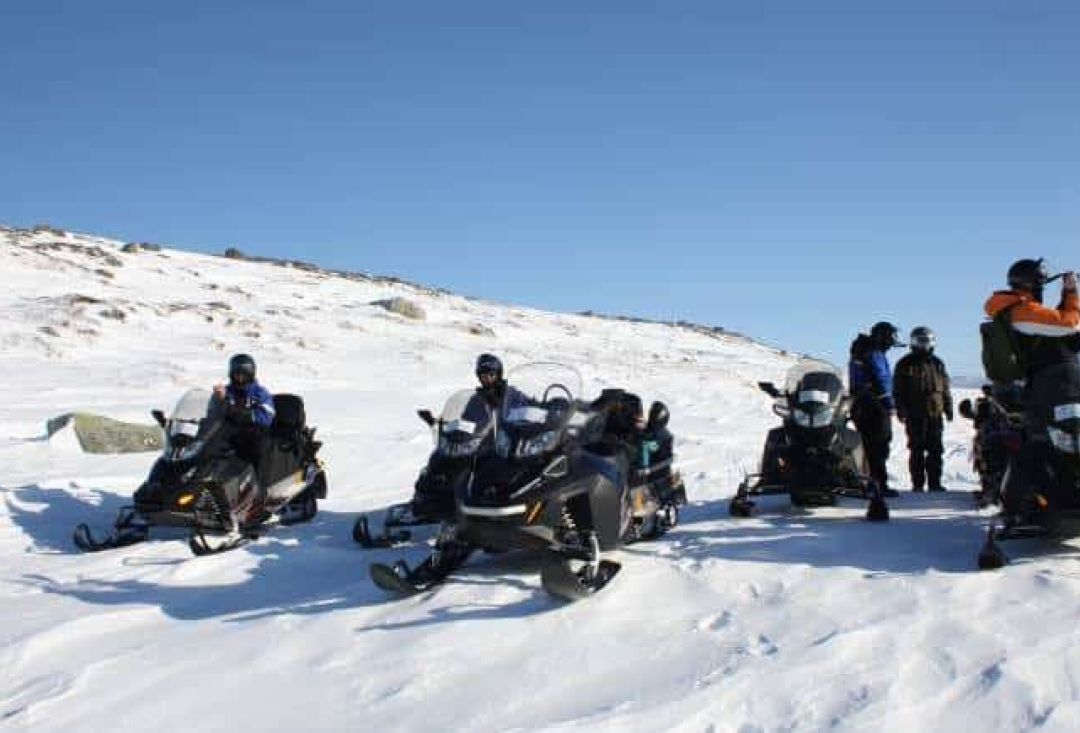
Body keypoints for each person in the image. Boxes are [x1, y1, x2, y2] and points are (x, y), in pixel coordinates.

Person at [985, 260, 1080, 520]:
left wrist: (1066, 296)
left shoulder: (1022, 310)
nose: (1042, 287)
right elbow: (1069, 324)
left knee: (1061, 441)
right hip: (1047, 387)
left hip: (1054, 385)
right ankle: (1032, 502)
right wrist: (1071, 295)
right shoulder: (1021, 310)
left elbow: (1059, 331)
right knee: (1044, 444)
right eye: (1041, 281)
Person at [893, 327, 954, 492]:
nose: (923, 345)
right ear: (913, 342)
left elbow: (945, 387)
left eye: (926, 341)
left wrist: (948, 407)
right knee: (917, 449)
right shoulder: (905, 364)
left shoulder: (937, 363)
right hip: (915, 414)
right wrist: (901, 409)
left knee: (936, 449)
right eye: (920, 341)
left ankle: (935, 482)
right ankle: (918, 484)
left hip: (935, 413)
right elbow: (898, 390)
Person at [849, 322, 904, 497]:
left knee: (869, 444)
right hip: (873, 404)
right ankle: (878, 484)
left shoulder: (862, 350)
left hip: (862, 402)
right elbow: (880, 377)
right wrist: (888, 403)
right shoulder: (872, 352)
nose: (892, 342)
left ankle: (871, 482)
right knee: (878, 445)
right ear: (882, 337)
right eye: (890, 337)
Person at [213, 353, 275, 477]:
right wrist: (218, 399)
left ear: (251, 375)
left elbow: (267, 416)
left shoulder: (259, 393)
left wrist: (245, 414)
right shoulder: (226, 392)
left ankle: (259, 488)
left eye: (244, 375)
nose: (240, 378)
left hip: (252, 434)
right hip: (227, 432)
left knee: (258, 446)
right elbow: (211, 412)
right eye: (237, 374)